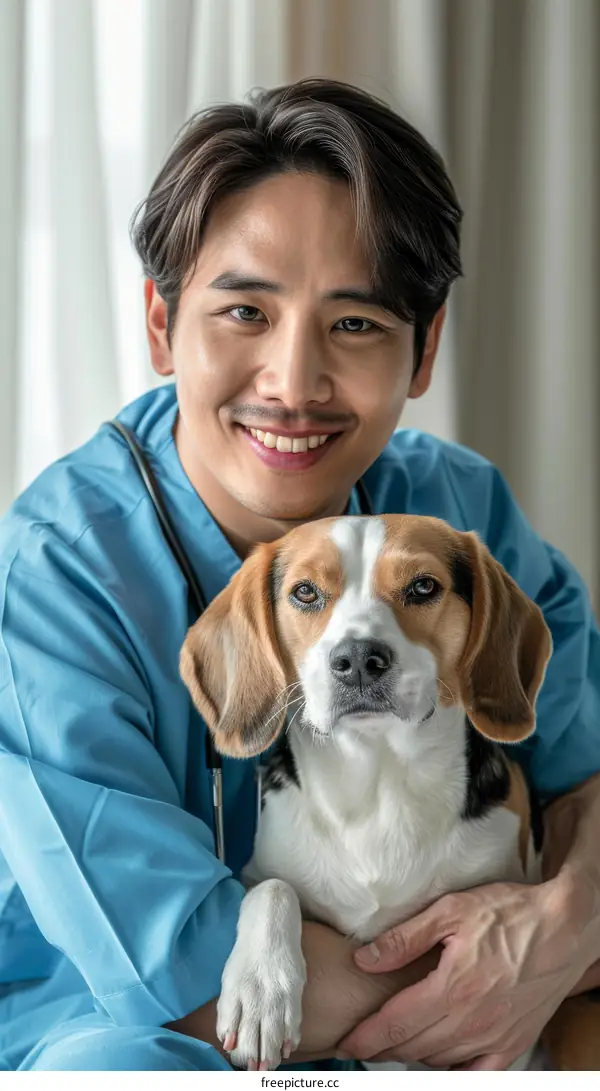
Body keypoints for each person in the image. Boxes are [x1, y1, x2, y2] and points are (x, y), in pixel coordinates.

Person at [0, 78, 599, 1074]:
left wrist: (568, 924)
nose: (293, 381)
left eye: (356, 324)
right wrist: (499, 979)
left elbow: (583, 770)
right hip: (120, 1020)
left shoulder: (460, 514)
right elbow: (174, 976)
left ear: (425, 348)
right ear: (160, 324)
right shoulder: (57, 573)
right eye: (244, 310)